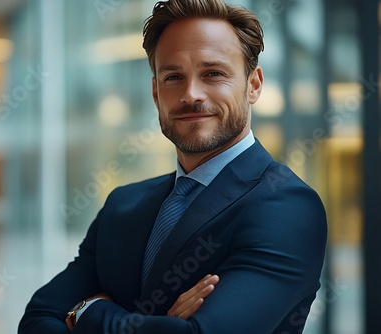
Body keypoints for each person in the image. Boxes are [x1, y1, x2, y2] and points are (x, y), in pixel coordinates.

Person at [18, 0, 327, 333]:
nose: (191, 94)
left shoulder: (287, 206)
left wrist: (87, 311)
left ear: (253, 85)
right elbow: (37, 319)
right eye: (173, 77)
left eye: (213, 73)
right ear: (155, 92)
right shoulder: (123, 205)